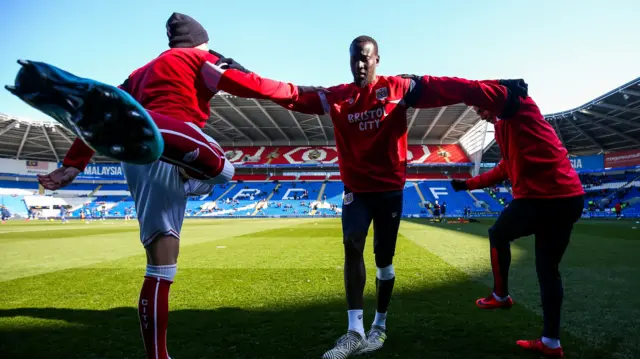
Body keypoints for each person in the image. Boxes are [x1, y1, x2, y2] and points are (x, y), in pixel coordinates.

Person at [7, 13, 314, 359]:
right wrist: (297, 95)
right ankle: (164, 140)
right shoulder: (199, 57)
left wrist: (73, 164)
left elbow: (107, 113)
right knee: (225, 171)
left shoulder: (137, 75)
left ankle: (158, 356)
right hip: (175, 130)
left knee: (161, 267)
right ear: (201, 41)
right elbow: (249, 84)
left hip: (137, 163)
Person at [208, 35, 536, 358]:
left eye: (366, 57)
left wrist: (497, 87)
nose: (360, 63)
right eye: (354, 57)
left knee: (383, 260)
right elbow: (292, 95)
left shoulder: (398, 89)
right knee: (352, 243)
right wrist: (239, 72)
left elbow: (448, 87)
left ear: (377, 59)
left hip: (390, 190)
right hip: (356, 190)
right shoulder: (337, 97)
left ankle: (379, 324)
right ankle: (354, 331)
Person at [450, 89, 585, 358]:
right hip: (568, 198)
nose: (482, 115)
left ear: (495, 101)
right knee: (548, 271)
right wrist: (468, 184)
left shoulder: (519, 112)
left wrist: (507, 86)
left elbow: (510, 99)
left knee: (498, 234)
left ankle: (500, 296)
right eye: (478, 112)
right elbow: (504, 168)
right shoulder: (507, 128)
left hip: (542, 198)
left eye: (483, 109)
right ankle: (551, 343)